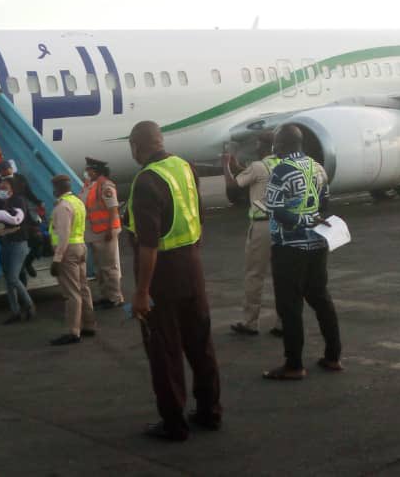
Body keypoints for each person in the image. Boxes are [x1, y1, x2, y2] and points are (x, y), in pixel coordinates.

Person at [126, 120, 222, 442]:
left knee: (165, 351)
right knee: (200, 343)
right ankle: (210, 411)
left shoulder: (145, 181)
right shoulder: (185, 167)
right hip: (192, 267)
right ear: (161, 140)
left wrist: (142, 292)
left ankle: (174, 423)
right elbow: (198, 213)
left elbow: (148, 245)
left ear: (136, 147)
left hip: (162, 276)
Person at [262, 124, 343, 380]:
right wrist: (312, 218)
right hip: (318, 244)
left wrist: (301, 220)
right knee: (320, 298)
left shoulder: (281, 170)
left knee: (290, 305)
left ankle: (294, 364)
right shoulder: (317, 167)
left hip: (289, 247)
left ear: (281, 145)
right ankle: (333, 356)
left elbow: (276, 210)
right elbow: (325, 201)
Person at [223, 135, 285, 337]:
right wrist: (238, 166)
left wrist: (226, 166)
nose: (256, 149)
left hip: (262, 225)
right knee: (283, 275)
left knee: (254, 275)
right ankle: (283, 323)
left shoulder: (258, 166)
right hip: (284, 225)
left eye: (259, 145)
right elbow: (253, 177)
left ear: (264, 147)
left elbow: (234, 187)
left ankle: (250, 322)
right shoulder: (284, 164)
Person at [48, 175, 96, 345]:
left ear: (58, 188)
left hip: (68, 251)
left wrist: (57, 258)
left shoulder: (63, 206)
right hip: (81, 247)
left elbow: (63, 234)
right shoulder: (77, 202)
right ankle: (89, 324)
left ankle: (73, 331)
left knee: (71, 293)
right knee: (83, 287)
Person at [0, 177, 36, 324]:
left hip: (18, 243)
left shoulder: (18, 200)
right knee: (9, 280)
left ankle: (29, 305)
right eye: (0, 188)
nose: (1, 190)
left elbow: (17, 218)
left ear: (12, 188)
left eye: (4, 188)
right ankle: (15, 311)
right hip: (5, 243)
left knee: (13, 278)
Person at [80, 157, 124, 309]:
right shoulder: (89, 186)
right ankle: (106, 295)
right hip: (94, 233)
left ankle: (115, 297)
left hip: (105, 232)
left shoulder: (105, 186)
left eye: (88, 170)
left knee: (109, 267)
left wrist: (110, 229)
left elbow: (113, 208)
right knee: (100, 267)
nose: (86, 172)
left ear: (95, 171)